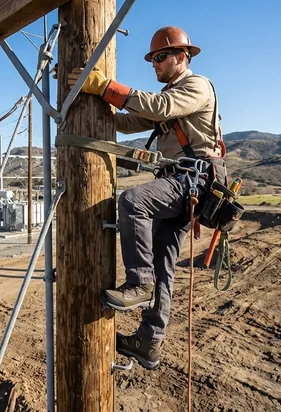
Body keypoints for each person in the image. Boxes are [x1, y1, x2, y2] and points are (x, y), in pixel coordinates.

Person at [67, 26, 226, 370]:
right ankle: (149, 341)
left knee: (132, 201)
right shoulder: (170, 95)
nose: (154, 64)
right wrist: (91, 97)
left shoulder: (196, 86)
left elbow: (159, 106)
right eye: (152, 58)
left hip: (192, 181)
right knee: (163, 265)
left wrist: (107, 86)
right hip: (180, 184)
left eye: (160, 57)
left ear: (181, 57)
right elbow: (128, 122)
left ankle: (138, 284)